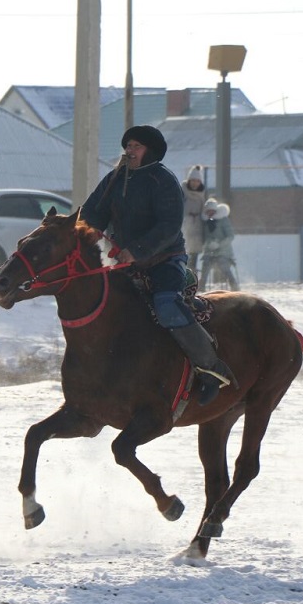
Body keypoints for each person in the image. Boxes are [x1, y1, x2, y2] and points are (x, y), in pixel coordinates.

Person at [80, 125, 236, 406]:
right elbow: (92, 213)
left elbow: (168, 226)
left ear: (150, 151)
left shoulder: (163, 180)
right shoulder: (114, 178)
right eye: (128, 145)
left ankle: (211, 369)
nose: (130, 151)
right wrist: (84, 231)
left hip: (165, 259)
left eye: (136, 146)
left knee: (166, 306)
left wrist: (135, 251)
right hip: (124, 263)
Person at [200, 197, 239, 290]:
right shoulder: (206, 222)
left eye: (211, 211)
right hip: (209, 251)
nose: (210, 213)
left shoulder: (223, 220)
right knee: (205, 264)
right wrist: (209, 244)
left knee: (223, 265)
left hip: (224, 251)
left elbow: (230, 236)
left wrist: (219, 244)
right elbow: (205, 237)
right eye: (208, 211)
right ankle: (201, 287)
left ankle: (234, 286)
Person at [181, 165, 207, 276]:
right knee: (184, 253)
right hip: (185, 225)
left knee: (194, 255)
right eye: (193, 180)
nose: (195, 183)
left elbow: (204, 210)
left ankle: (191, 277)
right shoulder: (182, 192)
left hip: (197, 227)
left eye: (197, 181)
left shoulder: (202, 195)